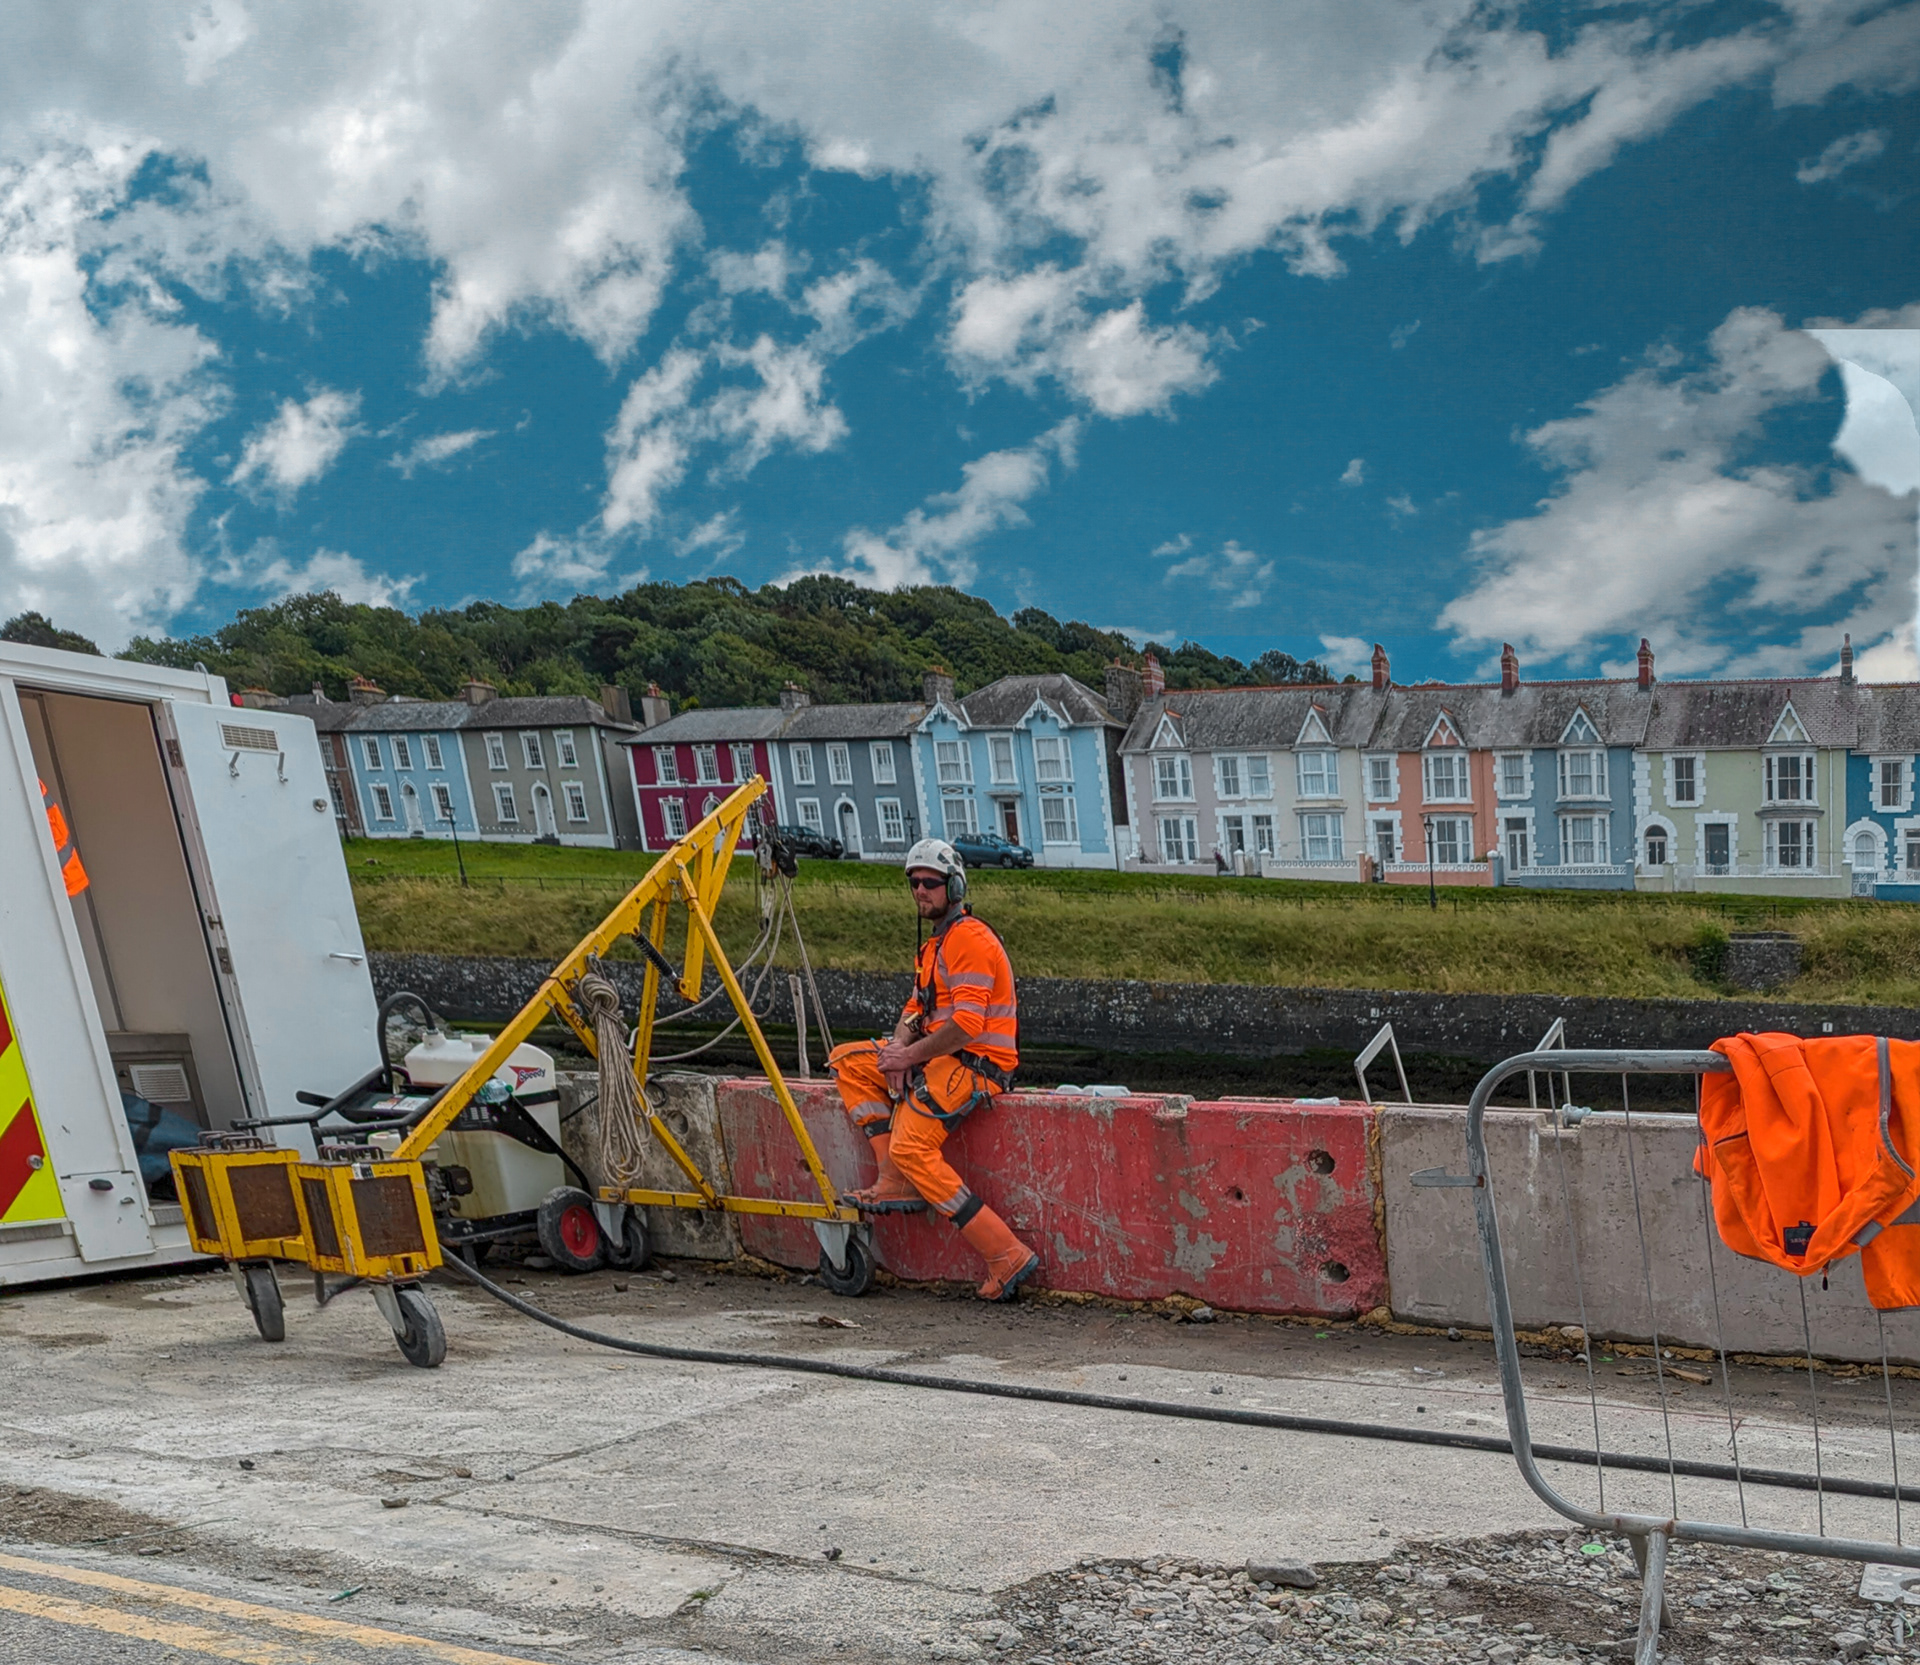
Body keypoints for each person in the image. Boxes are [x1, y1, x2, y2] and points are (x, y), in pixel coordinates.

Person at [825, 838, 1040, 1302]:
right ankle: (893, 1178)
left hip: (976, 1065)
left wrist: (912, 1057)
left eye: (930, 883)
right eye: (914, 883)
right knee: (850, 1063)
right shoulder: (936, 946)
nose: (920, 890)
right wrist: (899, 1048)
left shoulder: (969, 939)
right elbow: (915, 1007)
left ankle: (1005, 1254)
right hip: (941, 1058)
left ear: (954, 886)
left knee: (912, 1145)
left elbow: (967, 1025)